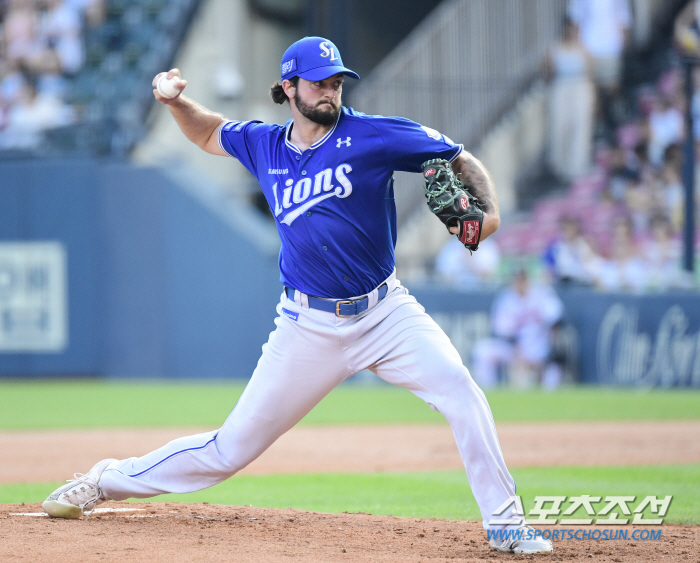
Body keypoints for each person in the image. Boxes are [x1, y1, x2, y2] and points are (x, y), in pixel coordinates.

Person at [41, 37, 552, 555]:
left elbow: (458, 155)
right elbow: (211, 133)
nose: (330, 91)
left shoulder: (373, 134)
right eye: (319, 82)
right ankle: (104, 480)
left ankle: (506, 525)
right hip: (307, 325)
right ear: (289, 87)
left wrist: (487, 213)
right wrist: (174, 103)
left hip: (386, 312)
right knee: (228, 449)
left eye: (336, 81)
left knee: (462, 394)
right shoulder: (264, 144)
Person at [472, 270, 565, 390]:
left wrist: (553, 343)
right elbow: (502, 331)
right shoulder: (506, 299)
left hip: (540, 346)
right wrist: (518, 353)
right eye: (517, 281)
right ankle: (489, 392)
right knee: (483, 351)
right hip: (514, 349)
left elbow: (557, 320)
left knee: (555, 364)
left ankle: (550, 396)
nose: (519, 284)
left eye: (522, 280)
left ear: (528, 281)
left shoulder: (541, 294)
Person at [544, 17, 595, 180]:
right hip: (561, 87)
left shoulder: (584, 49)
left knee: (579, 126)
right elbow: (547, 72)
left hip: (580, 87)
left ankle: (577, 166)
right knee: (560, 126)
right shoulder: (555, 48)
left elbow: (590, 73)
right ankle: (560, 166)